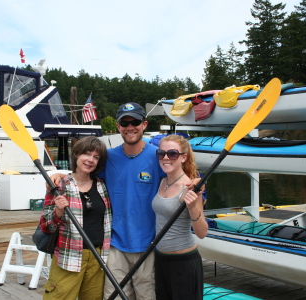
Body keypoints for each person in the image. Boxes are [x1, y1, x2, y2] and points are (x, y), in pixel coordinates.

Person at [49, 103, 202, 299]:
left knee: (146, 296)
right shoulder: (108, 157)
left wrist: (198, 184)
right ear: (118, 126)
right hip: (115, 246)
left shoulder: (158, 155)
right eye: (125, 122)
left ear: (144, 124)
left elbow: (182, 176)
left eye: (135, 121)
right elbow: (85, 174)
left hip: (149, 245)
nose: (130, 127)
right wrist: (61, 175)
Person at [40, 136, 111, 300]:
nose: (90, 160)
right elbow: (45, 226)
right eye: (87, 154)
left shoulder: (102, 185)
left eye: (96, 157)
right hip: (68, 256)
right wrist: (58, 211)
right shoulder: (60, 185)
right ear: (77, 155)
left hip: (97, 257)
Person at [152, 134, 208, 300]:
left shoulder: (190, 187)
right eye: (161, 154)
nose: (166, 158)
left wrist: (192, 208)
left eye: (173, 154)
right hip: (160, 259)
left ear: (183, 157)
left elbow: (202, 233)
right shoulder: (162, 181)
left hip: (183, 263)